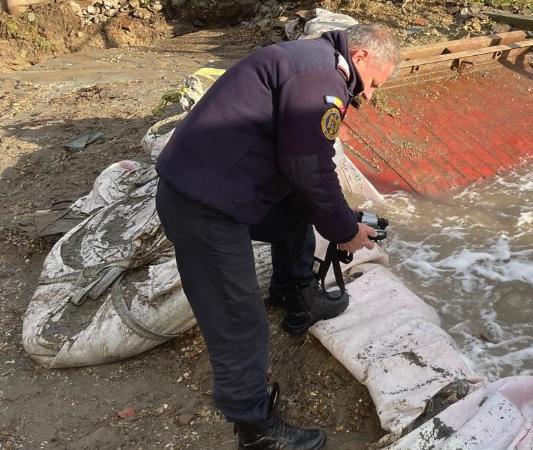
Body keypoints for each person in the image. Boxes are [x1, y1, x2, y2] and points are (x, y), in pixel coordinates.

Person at [154, 24, 398, 450]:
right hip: (203, 205)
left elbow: (298, 173)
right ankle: (255, 429)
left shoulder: (310, 60)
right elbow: (309, 167)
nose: (370, 96)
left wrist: (344, 215)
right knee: (239, 320)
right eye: (374, 83)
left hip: (223, 182)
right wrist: (344, 231)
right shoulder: (321, 79)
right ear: (359, 57)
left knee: (294, 212)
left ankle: (295, 295)